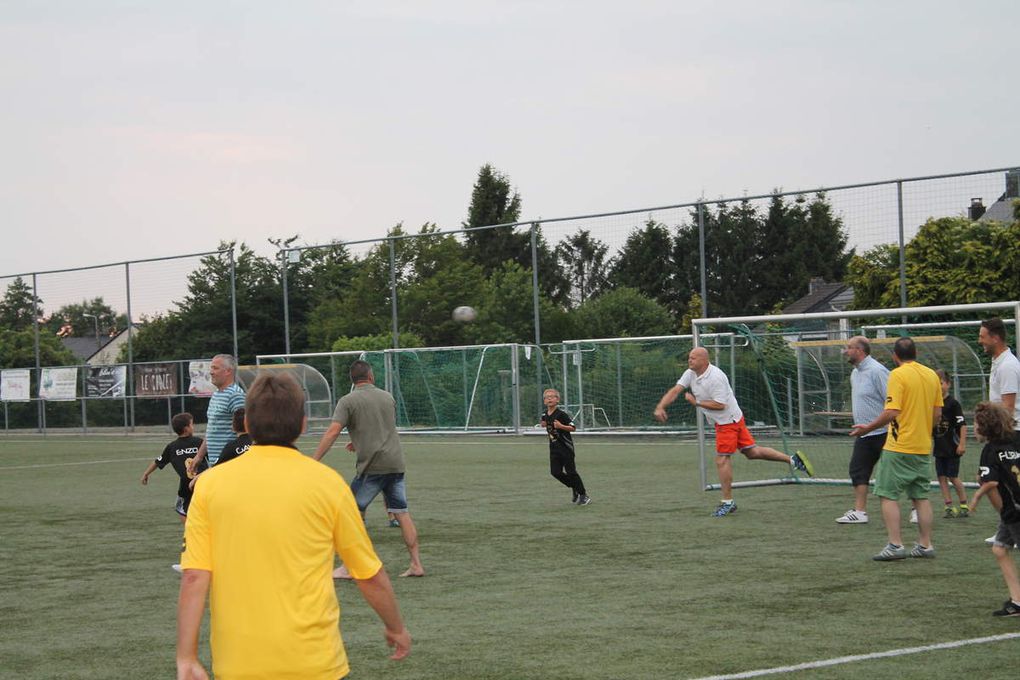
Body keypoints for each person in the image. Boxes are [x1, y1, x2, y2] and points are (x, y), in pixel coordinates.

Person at [176, 372, 411, 680]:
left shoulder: (209, 484)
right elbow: (368, 573)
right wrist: (396, 628)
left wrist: (187, 655)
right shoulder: (327, 482)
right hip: (315, 661)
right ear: (302, 424)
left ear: (247, 424)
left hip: (240, 664)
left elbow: (194, 576)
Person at [654, 346, 814, 516]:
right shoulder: (690, 373)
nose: (689, 360)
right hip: (731, 419)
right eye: (689, 357)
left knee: (722, 459)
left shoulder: (716, 377)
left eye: (693, 358)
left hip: (727, 421)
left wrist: (697, 403)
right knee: (752, 452)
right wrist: (660, 406)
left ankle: (728, 502)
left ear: (704, 360)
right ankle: (793, 460)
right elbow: (676, 390)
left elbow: (720, 404)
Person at [313, 360, 425, 578]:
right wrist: (358, 442)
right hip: (395, 463)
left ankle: (349, 565)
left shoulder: (348, 401)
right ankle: (416, 564)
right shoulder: (387, 397)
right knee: (401, 512)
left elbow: (333, 431)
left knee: (350, 513)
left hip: (372, 467)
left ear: (352, 380)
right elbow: (382, 427)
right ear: (371, 377)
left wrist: (314, 459)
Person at [850, 337, 942, 561]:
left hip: (899, 445)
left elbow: (892, 411)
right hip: (922, 446)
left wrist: (867, 428)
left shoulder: (897, 375)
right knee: (921, 496)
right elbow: (937, 414)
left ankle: (895, 544)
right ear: (915, 353)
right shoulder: (931, 375)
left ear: (895, 356)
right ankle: (925, 544)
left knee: (887, 494)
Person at [967, 401, 1020, 617]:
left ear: (985, 427)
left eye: (976, 423)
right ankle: (1017, 601)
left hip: (1014, 511)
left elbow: (991, 484)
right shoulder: (1016, 438)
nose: (974, 428)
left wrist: (977, 496)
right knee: (999, 549)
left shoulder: (989, 452)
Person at [837, 336, 890, 524]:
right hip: (864, 434)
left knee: (895, 472)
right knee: (858, 470)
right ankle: (860, 512)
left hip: (886, 432)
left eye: (849, 347)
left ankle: (916, 509)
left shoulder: (878, 371)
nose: (845, 351)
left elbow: (893, 401)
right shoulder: (855, 373)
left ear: (860, 350)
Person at [978, 317, 1020, 544]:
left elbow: (1008, 408)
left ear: (995, 338)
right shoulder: (998, 362)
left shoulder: (1009, 366)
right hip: (1003, 434)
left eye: (983, 336)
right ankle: (1006, 529)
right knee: (997, 482)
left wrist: (991, 431)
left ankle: (1009, 529)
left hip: (1011, 434)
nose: (979, 341)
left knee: (1004, 484)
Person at [140, 412, 207, 524]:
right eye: (192, 424)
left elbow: (158, 461)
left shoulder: (172, 447)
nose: (193, 427)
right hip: (204, 481)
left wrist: (146, 474)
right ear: (186, 429)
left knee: (181, 509)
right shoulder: (200, 442)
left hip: (186, 485)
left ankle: (190, 530)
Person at [187, 353, 246, 471]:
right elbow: (211, 430)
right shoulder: (216, 395)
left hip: (231, 463)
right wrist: (199, 456)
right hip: (216, 463)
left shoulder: (236, 395)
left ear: (228, 371)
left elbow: (245, 432)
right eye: (211, 368)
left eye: (215, 368)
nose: (211, 372)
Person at [541, 388, 591, 506]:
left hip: (566, 447)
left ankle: (583, 495)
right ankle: (574, 487)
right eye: (547, 397)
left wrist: (560, 426)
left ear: (558, 400)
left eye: (552, 396)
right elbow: (544, 422)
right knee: (555, 472)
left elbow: (573, 428)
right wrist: (544, 424)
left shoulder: (561, 414)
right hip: (553, 448)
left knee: (571, 472)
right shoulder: (544, 414)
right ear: (544, 401)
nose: (549, 399)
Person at [932, 369, 968, 518]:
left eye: (940, 383)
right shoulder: (933, 402)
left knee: (953, 477)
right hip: (939, 447)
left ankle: (964, 504)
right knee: (941, 477)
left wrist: (962, 444)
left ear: (948, 384)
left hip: (952, 447)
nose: (938, 387)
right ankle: (948, 506)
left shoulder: (953, 403)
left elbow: (963, 425)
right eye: (935, 384)